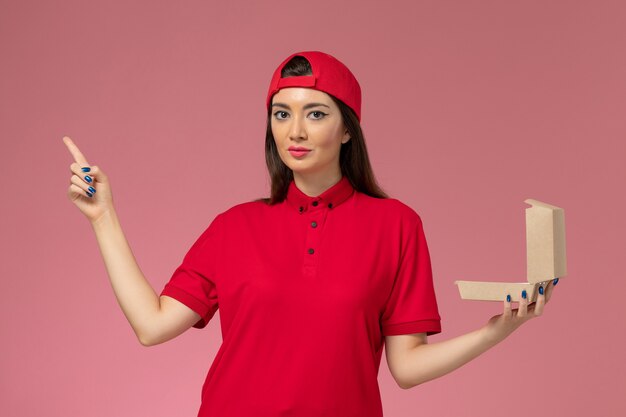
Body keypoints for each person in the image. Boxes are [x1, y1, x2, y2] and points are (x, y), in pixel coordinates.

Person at [64, 50, 558, 417]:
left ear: (348, 129)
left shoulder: (397, 226)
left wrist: (500, 330)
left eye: (315, 113)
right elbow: (152, 326)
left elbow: (406, 369)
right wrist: (103, 217)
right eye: (283, 114)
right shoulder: (235, 226)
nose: (295, 131)